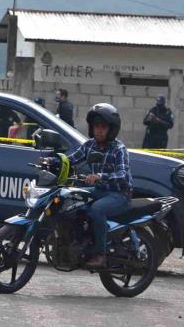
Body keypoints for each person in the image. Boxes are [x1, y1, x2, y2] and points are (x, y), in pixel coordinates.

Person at [49, 103, 132, 268]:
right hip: (99, 191)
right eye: (96, 127)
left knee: (97, 209)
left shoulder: (119, 149)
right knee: (69, 198)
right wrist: (51, 161)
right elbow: (71, 159)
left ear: (111, 129)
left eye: (103, 127)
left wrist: (100, 176)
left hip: (119, 194)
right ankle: (77, 242)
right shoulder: (90, 145)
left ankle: (100, 254)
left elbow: (122, 175)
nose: (99, 130)